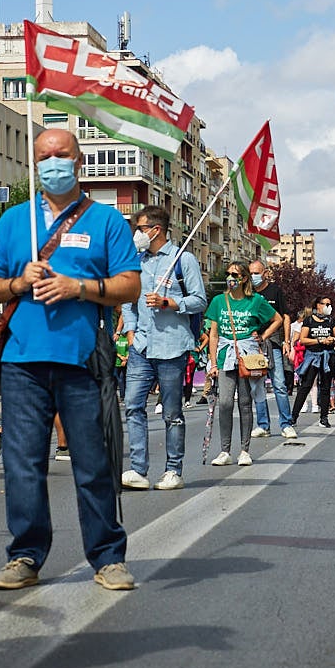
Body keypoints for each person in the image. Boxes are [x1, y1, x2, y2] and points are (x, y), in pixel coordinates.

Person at [0, 129, 142, 593]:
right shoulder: (14, 222)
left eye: (61, 155)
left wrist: (78, 287)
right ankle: (25, 555)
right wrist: (17, 282)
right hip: (22, 362)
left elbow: (130, 285)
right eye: (44, 155)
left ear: (79, 161)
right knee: (22, 463)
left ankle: (108, 557)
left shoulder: (106, 221)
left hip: (83, 360)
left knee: (92, 462)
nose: (53, 162)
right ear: (35, 162)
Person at [122, 205, 205, 489]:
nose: (136, 234)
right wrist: (131, 331)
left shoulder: (184, 260)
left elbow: (199, 300)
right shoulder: (136, 261)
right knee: (133, 407)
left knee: (172, 413)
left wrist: (171, 303)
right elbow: (128, 299)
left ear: (155, 230)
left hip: (172, 347)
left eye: (140, 229)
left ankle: (173, 470)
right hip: (142, 347)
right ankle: (138, 469)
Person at [203, 263, 283, 466]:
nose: (230, 277)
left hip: (247, 356)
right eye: (228, 273)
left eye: (235, 274)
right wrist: (213, 363)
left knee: (245, 403)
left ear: (244, 278)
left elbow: (277, 319)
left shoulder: (255, 300)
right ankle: (224, 451)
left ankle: (245, 450)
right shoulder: (219, 301)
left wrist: (263, 336)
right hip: (225, 356)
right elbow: (213, 334)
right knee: (225, 403)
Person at [246, 258, 296, 438]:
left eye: (257, 273)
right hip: (252, 345)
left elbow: (285, 317)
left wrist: (287, 342)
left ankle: (286, 424)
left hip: (273, 342)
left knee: (280, 384)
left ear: (265, 273)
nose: (253, 277)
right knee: (257, 386)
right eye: (251, 273)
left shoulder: (275, 291)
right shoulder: (247, 293)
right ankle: (263, 425)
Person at [289, 300, 335, 428]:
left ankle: (324, 417)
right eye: (325, 304)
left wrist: (332, 340)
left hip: (327, 356)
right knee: (305, 386)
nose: (328, 306)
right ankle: (293, 417)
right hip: (312, 357)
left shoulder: (331, 321)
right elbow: (303, 339)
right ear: (318, 305)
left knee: (325, 387)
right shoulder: (309, 321)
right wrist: (318, 340)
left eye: (329, 304)